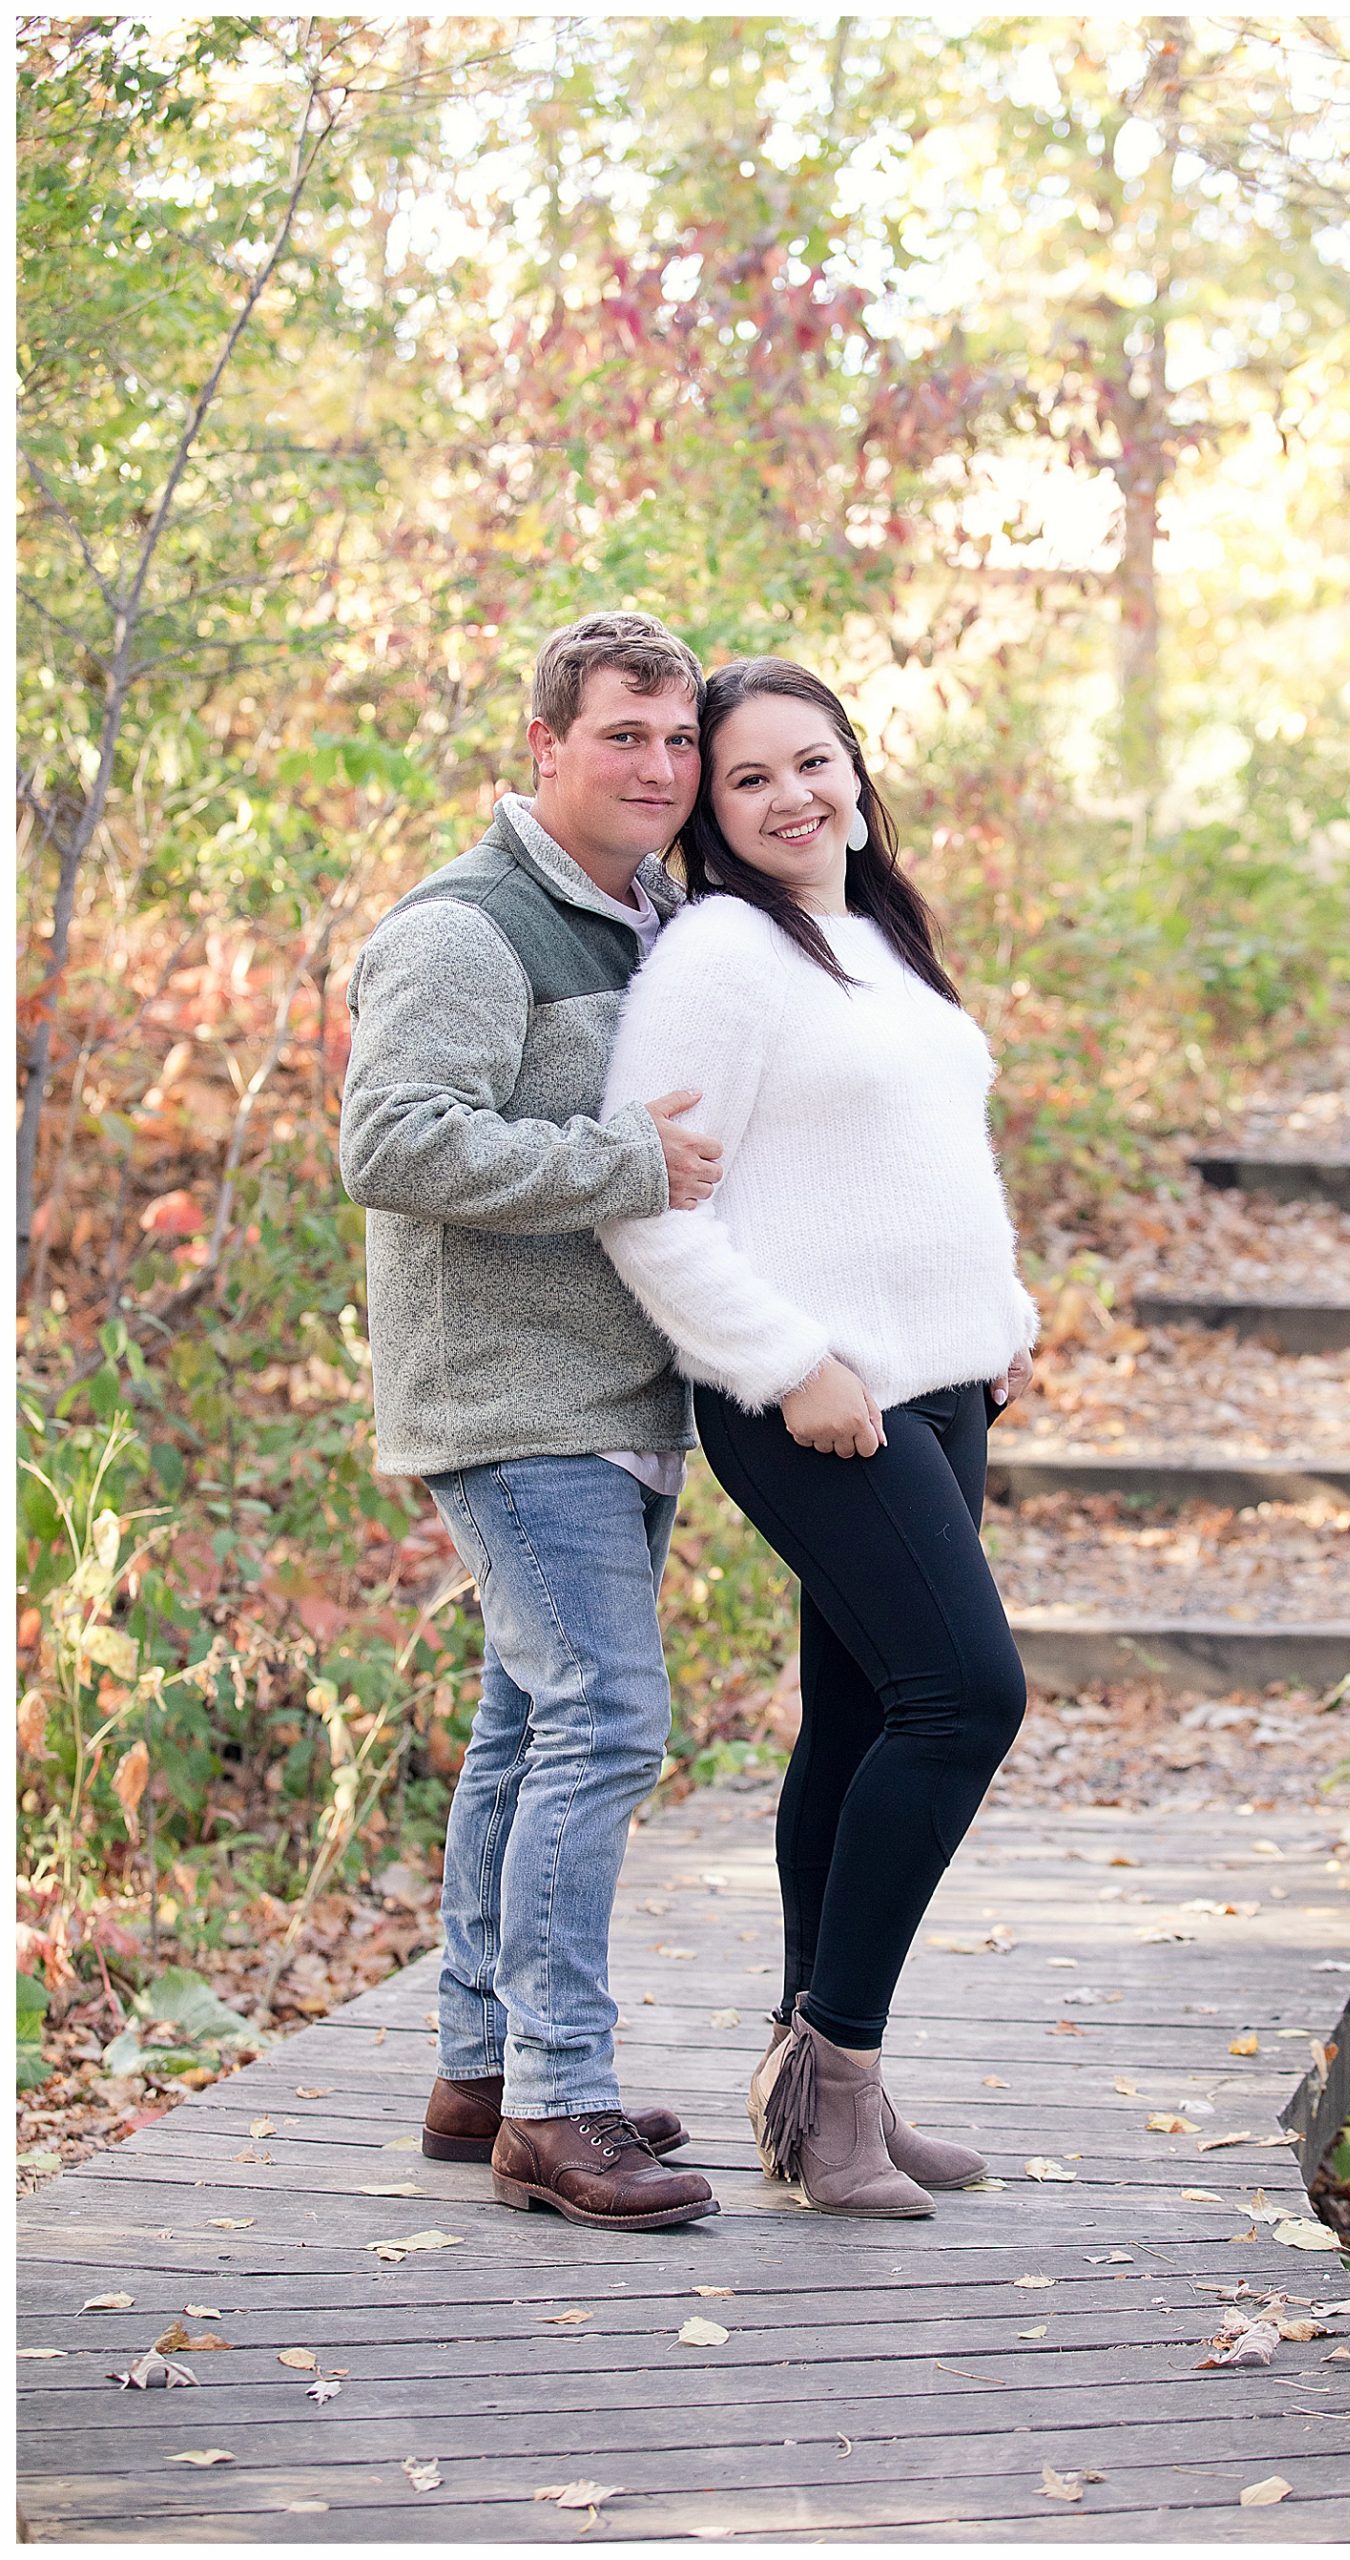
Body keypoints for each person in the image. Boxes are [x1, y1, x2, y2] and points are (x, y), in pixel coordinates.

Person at [599, 658, 1037, 2219]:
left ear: (856, 762)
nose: (794, 796)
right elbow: (649, 1200)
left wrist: (1001, 1322)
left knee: (859, 1723)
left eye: (813, 760)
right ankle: (833, 2071)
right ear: (711, 817)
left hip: (934, 1383)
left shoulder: (875, 931)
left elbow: (925, 1154)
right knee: (965, 1697)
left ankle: (819, 2094)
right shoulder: (722, 953)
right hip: (810, 1399)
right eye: (749, 780)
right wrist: (787, 1363)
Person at [339, 611, 724, 2232]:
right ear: (547, 747)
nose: (658, 766)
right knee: (604, 1726)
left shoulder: (655, 917)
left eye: (678, 737)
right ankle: (561, 2106)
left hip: (613, 1394)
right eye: (623, 734)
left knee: (524, 1730)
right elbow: (394, 1141)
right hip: (510, 1404)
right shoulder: (467, 929)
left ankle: (483, 2070)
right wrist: (617, 1163)